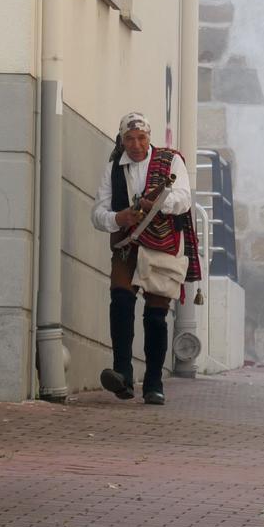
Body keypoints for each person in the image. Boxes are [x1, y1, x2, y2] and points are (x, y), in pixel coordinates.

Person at [90, 112, 199, 405]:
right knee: (121, 299)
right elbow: (98, 213)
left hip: (163, 243)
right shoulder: (114, 167)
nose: (136, 144)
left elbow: (184, 198)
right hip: (127, 242)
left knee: (155, 314)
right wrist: (119, 218)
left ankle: (153, 382)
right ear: (121, 139)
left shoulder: (171, 161)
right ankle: (122, 373)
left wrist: (159, 204)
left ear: (149, 137)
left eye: (141, 138)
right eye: (129, 139)